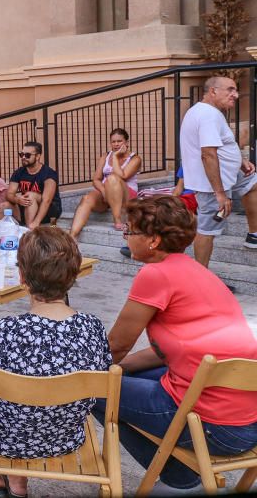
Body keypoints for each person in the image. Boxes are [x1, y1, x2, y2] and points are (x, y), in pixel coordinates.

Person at [101, 196, 257, 494]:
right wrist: (117, 368)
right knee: (117, 375)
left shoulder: (155, 274)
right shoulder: (195, 269)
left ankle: (180, 481)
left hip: (215, 426)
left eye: (130, 231)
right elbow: (163, 352)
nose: (126, 236)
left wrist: (79, 374)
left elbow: (116, 344)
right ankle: (180, 474)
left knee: (93, 392)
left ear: (153, 240)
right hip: (246, 418)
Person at [0, 226, 111, 498]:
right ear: (73, 276)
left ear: (23, 277)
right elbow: (102, 377)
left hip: (6, 440)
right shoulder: (91, 327)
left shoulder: (7, 330)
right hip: (64, 437)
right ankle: (18, 486)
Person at [178, 75, 257, 266]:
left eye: (236, 90)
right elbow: (208, 154)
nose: (235, 95)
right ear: (213, 91)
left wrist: (240, 160)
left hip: (225, 174)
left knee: (252, 183)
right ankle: (200, 279)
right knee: (207, 230)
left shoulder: (206, 111)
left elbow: (221, 144)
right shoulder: (208, 115)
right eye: (230, 89)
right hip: (212, 183)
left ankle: (253, 234)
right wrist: (220, 193)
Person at [69, 128, 142, 238]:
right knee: (87, 198)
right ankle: (72, 236)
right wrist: (104, 191)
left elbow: (122, 176)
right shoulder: (105, 156)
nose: (116, 144)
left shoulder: (135, 159)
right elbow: (96, 179)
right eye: (113, 142)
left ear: (126, 142)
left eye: (119, 141)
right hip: (106, 195)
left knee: (112, 178)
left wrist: (116, 157)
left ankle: (117, 219)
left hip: (126, 195)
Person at [3, 141, 62, 228]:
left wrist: (36, 222)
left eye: (27, 155)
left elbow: (47, 200)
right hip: (28, 207)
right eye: (21, 154)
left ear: (37, 156)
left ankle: (29, 230)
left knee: (30, 196)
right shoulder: (19, 172)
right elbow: (9, 194)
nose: (23, 157)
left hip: (50, 211)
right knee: (4, 206)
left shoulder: (49, 174)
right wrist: (17, 200)